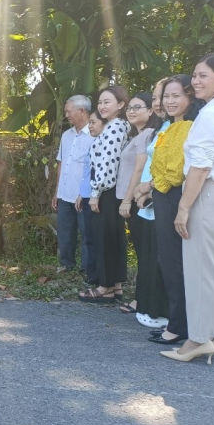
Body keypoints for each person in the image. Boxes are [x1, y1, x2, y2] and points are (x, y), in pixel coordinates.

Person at [162, 53, 214, 364]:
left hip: (208, 196)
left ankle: (198, 339)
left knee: (201, 272)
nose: (195, 81)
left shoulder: (212, 115)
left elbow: (199, 168)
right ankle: (212, 334)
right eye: (194, 75)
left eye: (203, 76)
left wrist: (183, 209)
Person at [143, 75, 202, 346]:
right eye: (166, 96)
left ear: (190, 97)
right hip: (164, 196)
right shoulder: (168, 127)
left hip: (174, 196)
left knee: (174, 262)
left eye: (176, 95)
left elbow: (176, 171)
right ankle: (179, 323)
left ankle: (179, 326)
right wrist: (152, 185)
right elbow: (160, 165)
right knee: (168, 261)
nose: (169, 101)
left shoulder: (189, 126)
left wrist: (154, 184)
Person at [78, 86, 130, 302]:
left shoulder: (115, 127)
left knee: (104, 239)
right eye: (100, 102)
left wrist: (95, 193)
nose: (102, 106)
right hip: (111, 191)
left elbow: (107, 164)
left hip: (106, 192)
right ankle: (115, 286)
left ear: (120, 105)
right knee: (112, 237)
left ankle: (105, 287)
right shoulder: (117, 126)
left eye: (107, 102)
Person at [115, 93, 161, 314]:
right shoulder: (138, 134)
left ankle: (140, 300)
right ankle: (142, 298)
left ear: (150, 111)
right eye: (129, 108)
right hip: (133, 197)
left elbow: (139, 169)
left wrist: (127, 199)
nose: (131, 111)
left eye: (137, 107)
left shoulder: (149, 134)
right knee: (143, 252)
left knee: (145, 253)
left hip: (136, 199)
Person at [52, 95, 93, 276]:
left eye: (69, 111)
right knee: (65, 232)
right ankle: (66, 265)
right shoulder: (66, 135)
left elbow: (95, 167)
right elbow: (61, 163)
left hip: (84, 195)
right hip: (65, 193)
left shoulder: (95, 134)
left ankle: (86, 269)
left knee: (86, 233)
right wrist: (56, 192)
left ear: (82, 111)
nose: (66, 115)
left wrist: (86, 193)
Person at [74, 109, 105, 287]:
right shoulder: (94, 143)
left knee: (95, 238)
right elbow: (87, 172)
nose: (90, 126)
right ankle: (92, 276)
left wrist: (94, 195)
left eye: (93, 122)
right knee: (89, 237)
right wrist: (81, 193)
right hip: (87, 195)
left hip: (96, 197)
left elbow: (102, 174)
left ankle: (97, 277)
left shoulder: (105, 144)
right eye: (90, 122)